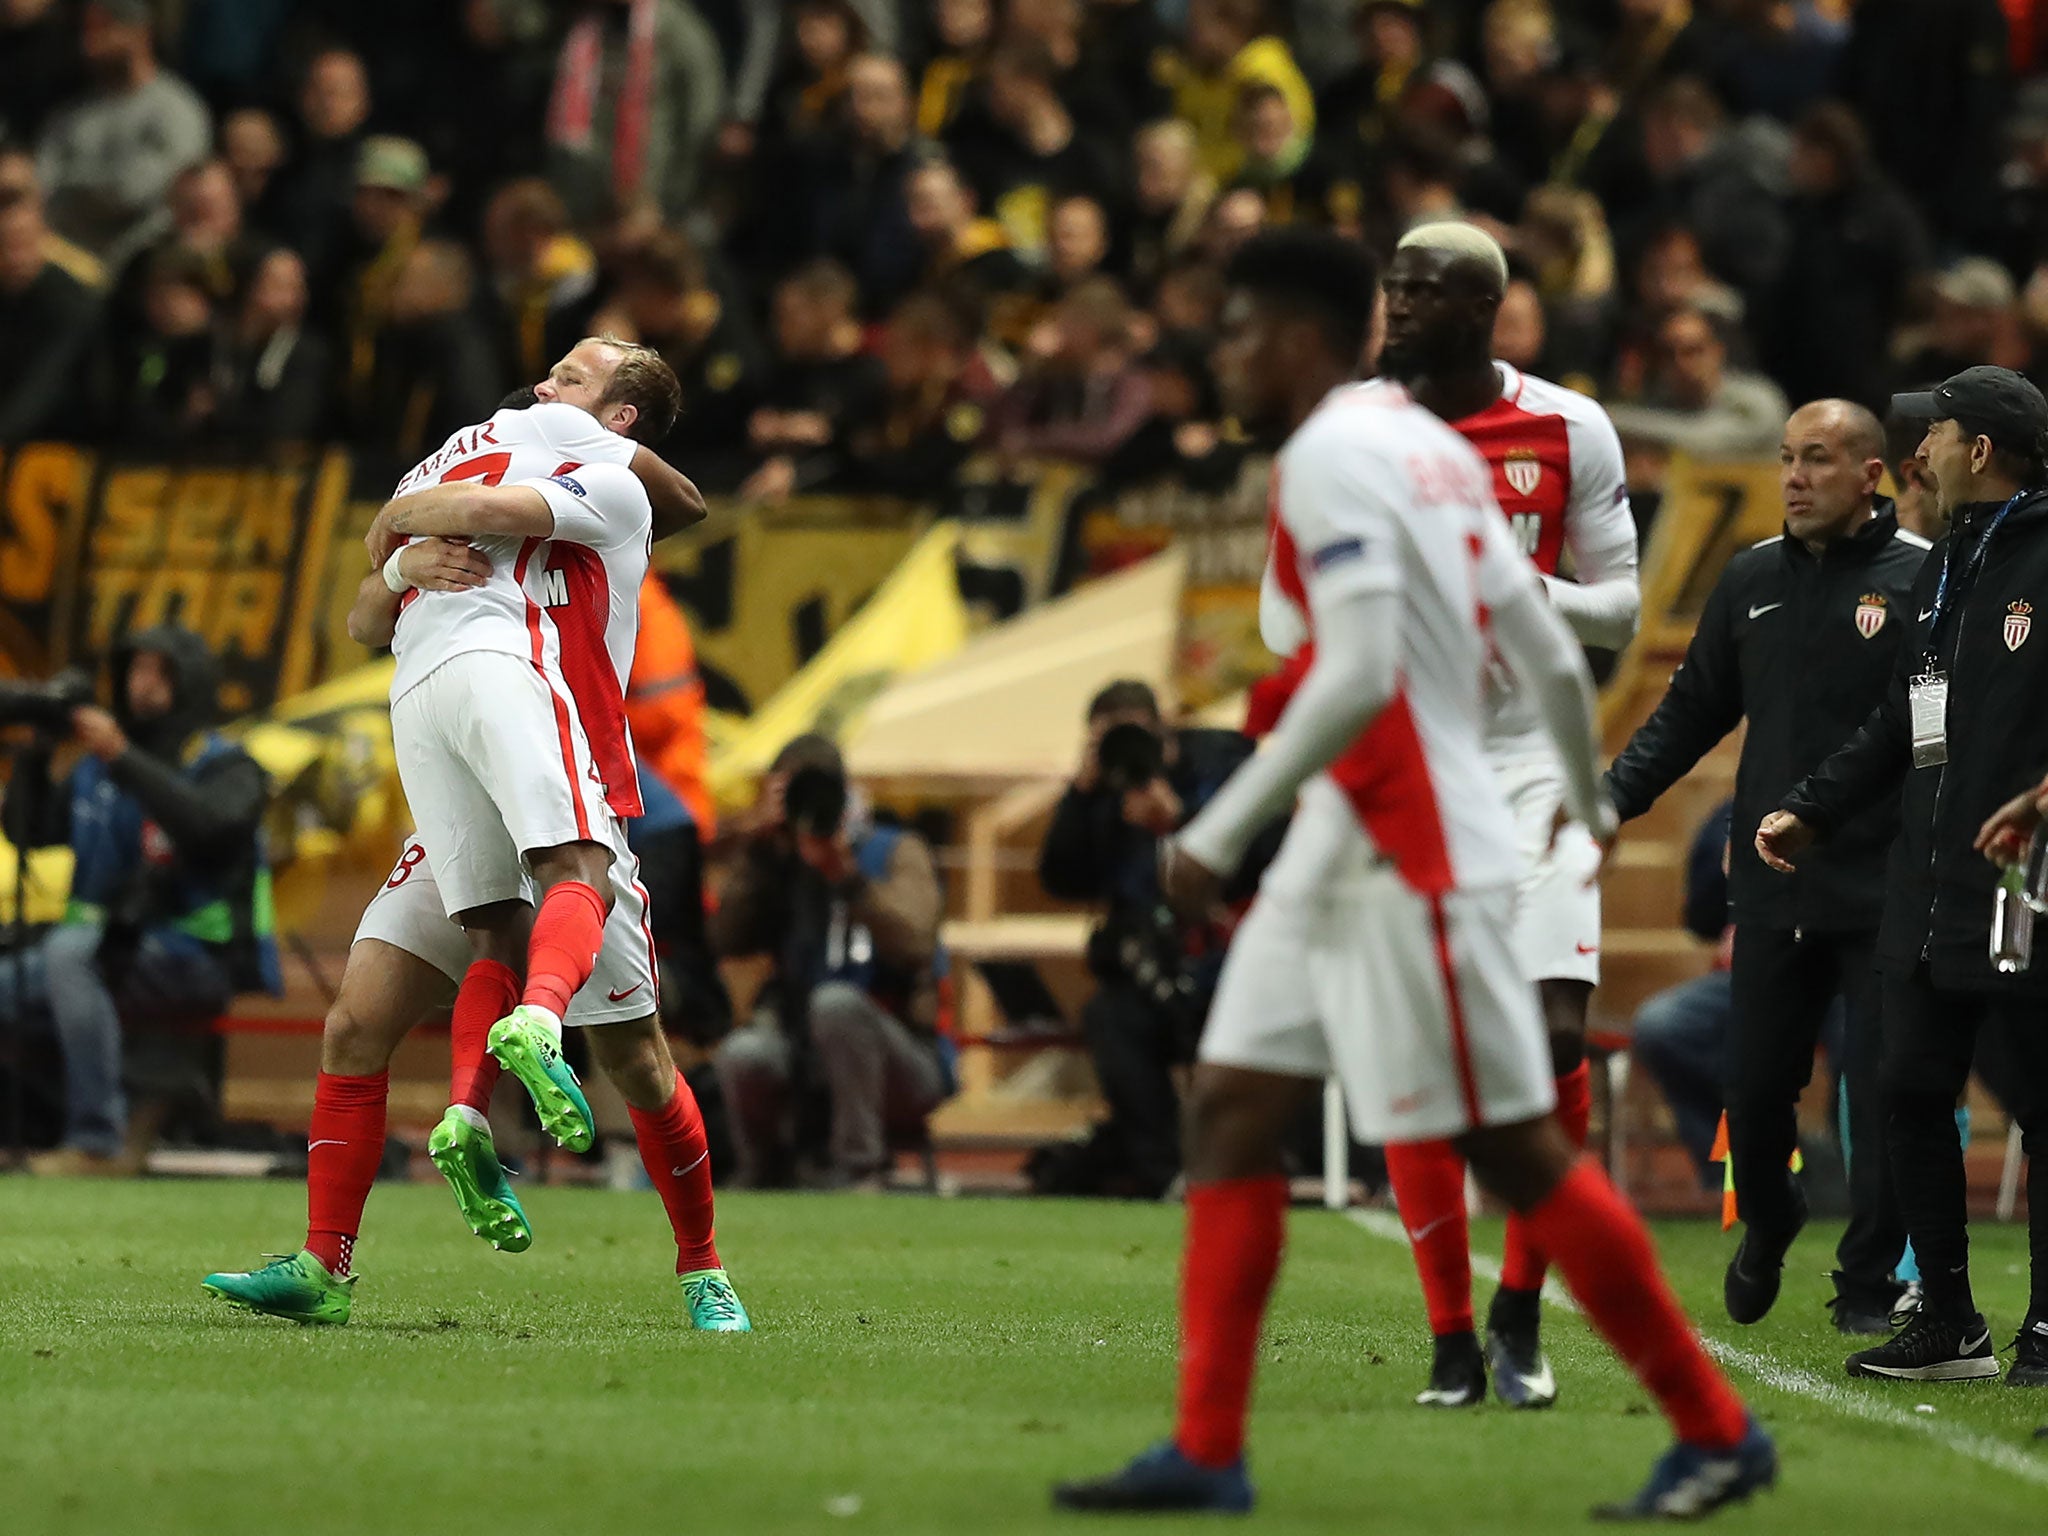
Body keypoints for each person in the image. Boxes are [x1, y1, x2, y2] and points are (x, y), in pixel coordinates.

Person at [1054, 229, 1772, 1520]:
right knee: (1228, 1104)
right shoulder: (1433, 456)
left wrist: (1222, 832)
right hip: (1361, 822)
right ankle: (1208, 1449)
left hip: (1411, 839)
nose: (1220, 353)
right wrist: (1584, 797)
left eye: (1239, 330)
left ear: (1304, 342)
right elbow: (1553, 654)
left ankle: (1716, 1428)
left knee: (1518, 1148)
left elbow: (1362, 669)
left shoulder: (1337, 450)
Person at [200, 368, 744, 1330]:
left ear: (612, 417)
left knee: (639, 1059)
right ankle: (332, 1258)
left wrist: (398, 515)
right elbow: (367, 617)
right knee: (358, 1020)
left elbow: (672, 496)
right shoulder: (484, 445)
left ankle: (702, 1268)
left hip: (563, 750)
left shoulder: (602, 484)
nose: (544, 380)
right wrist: (404, 563)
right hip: (458, 737)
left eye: (572, 373)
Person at [1347, 220, 1640, 1410]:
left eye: (1426, 290)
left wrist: (1512, 587)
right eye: (1392, 289)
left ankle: (1521, 1304)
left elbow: (1619, 614)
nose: (1401, 308)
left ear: (1488, 305)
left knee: (1552, 1037)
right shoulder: (1355, 434)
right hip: (1407, 759)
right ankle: (1450, 1336)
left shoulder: (1570, 427)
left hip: (1523, 762)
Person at [1607, 398, 1926, 1334]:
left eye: (1818, 459)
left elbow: (1926, 731)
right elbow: (1687, 713)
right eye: (1787, 458)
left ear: (1871, 476)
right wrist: (1608, 799)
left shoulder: (1920, 582)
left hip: (1881, 887)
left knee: (1880, 1090)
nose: (1794, 477)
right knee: (1753, 1089)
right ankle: (1772, 1209)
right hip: (1774, 889)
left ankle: (1866, 1284)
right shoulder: (1749, 581)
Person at [1759, 367, 2048, 1389]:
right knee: (1907, 1087)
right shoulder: (1945, 564)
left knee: (2037, 1098)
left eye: (1934, 436)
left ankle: (2047, 1331)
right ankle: (1949, 1323)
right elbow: (1899, 719)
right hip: (1923, 880)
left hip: (2022, 882)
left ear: (1977, 452)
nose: (1915, 452)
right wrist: (1813, 806)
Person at [0, 626, 276, 1175]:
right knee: (27, 972)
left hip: (196, 953)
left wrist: (121, 754)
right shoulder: (94, 768)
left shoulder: (227, 764)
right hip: (107, 951)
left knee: (67, 953)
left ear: (189, 680)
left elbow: (209, 826)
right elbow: (29, 829)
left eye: (159, 671)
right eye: (134, 670)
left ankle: (98, 1142)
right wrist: (37, 751)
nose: (141, 684)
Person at [1034, 680, 1262, 1198]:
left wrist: (1180, 824)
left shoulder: (1217, 763)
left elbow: (1262, 849)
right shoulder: (1103, 792)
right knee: (1110, 1018)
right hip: (1141, 969)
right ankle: (1164, 1173)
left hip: (1226, 960)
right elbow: (1061, 878)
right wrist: (1082, 792)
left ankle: (1253, 1164)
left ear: (1163, 728)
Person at [712, 735, 948, 1189]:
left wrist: (847, 877)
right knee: (742, 1054)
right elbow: (725, 941)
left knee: (837, 1004)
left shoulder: (895, 850)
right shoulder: (778, 862)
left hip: (900, 1059)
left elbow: (916, 942)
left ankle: (860, 1172)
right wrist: (761, 851)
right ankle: (762, 1173)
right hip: (798, 1051)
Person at [34, 0, 210, 266]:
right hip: (69, 264)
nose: (88, 44)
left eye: (103, 28)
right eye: (84, 32)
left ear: (139, 31)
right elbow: (42, 188)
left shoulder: (176, 108)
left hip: (144, 266)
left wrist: (73, 187)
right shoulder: (69, 115)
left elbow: (135, 192)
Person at [1630, 802, 1736, 1184]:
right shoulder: (1735, 810)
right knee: (1663, 1025)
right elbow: (1701, 920)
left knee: (1865, 1036)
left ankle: (1852, 1177)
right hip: (1749, 976)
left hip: (1846, 971)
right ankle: (1726, 1174)